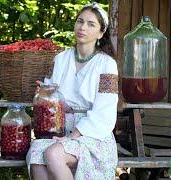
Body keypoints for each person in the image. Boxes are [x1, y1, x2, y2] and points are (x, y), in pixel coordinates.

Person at [26, 2, 119, 180]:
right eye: (80, 21)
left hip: (93, 134)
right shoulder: (61, 59)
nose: (83, 27)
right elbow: (53, 100)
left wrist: (72, 137)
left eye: (91, 24)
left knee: (53, 154)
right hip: (59, 130)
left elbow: (104, 114)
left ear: (101, 33)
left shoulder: (107, 64)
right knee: (37, 153)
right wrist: (45, 93)